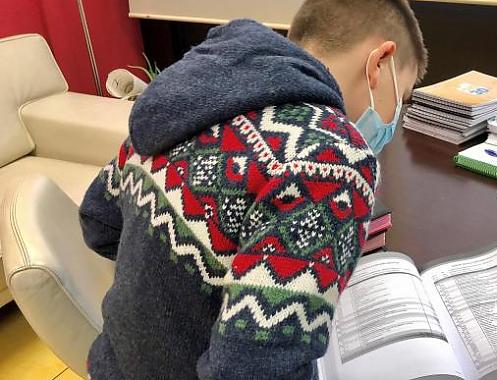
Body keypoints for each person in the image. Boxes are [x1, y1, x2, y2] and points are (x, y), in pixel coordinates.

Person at [78, 1, 427, 379]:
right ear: (380, 62)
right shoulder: (331, 154)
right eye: (402, 98)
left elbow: (99, 221)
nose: (391, 123)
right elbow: (253, 371)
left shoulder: (190, 92)